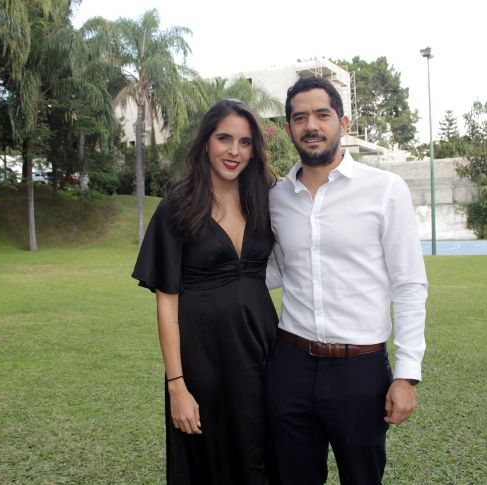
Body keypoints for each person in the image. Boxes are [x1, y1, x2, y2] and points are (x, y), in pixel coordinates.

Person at [265, 76, 429, 485]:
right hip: (290, 367)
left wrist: (406, 375)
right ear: (288, 130)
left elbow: (409, 285)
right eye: (300, 118)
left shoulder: (385, 190)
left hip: (360, 371)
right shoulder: (276, 198)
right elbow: (275, 270)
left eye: (322, 114)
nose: (311, 125)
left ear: (343, 121)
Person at [132, 99, 280, 484]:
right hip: (201, 362)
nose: (234, 151)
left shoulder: (265, 200)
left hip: (262, 352)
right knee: (207, 460)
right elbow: (167, 304)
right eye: (224, 138)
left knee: (261, 453)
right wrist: (176, 385)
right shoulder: (177, 208)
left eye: (245, 142)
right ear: (206, 142)